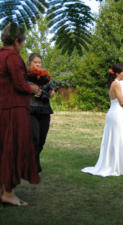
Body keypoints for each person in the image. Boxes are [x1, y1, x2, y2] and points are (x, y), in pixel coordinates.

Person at [0, 23, 41, 206]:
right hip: (14, 111)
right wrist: (32, 88)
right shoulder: (13, 57)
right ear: (16, 41)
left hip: (2, 109)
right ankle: (8, 193)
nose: (23, 45)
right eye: (23, 41)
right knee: (12, 150)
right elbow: (19, 84)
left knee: (2, 149)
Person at [81, 64, 123, 177]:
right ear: (117, 74)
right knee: (116, 139)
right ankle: (114, 166)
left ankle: (116, 165)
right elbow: (121, 102)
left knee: (115, 138)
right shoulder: (116, 84)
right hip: (115, 114)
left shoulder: (114, 83)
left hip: (116, 112)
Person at [27, 53, 54, 173]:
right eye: (35, 62)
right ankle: (33, 165)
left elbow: (51, 88)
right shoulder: (24, 76)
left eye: (39, 62)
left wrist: (51, 92)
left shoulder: (45, 76)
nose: (38, 64)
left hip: (45, 110)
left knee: (42, 140)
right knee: (35, 138)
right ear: (29, 63)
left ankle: (34, 160)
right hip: (31, 110)